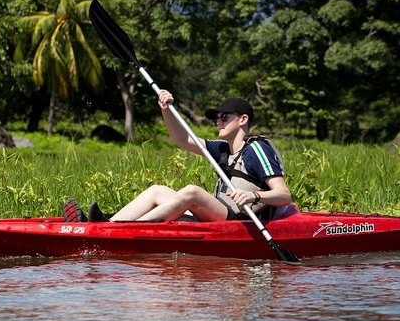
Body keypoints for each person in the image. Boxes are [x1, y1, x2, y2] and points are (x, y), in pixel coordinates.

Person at [61, 90, 297, 223]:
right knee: (157, 190)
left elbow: (284, 195)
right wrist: (166, 109)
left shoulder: (257, 150)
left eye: (224, 117)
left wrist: (254, 194)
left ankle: (127, 230)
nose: (218, 122)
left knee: (192, 191)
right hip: (218, 212)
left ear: (243, 119)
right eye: (217, 118)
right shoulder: (221, 148)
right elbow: (182, 140)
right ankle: (107, 225)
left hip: (239, 219)